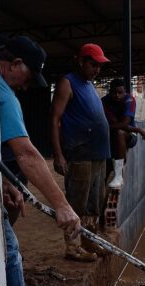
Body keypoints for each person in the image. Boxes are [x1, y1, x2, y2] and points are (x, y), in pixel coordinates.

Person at [0, 36, 82, 286]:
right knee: (8, 251)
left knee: (5, 249)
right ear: (15, 64)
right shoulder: (3, 95)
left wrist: (6, 182)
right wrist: (62, 205)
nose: (26, 85)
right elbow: (27, 154)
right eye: (28, 76)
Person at [50, 43, 111, 262]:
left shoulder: (89, 85)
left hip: (98, 153)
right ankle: (73, 247)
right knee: (77, 202)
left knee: (94, 202)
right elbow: (55, 119)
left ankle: (88, 240)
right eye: (93, 64)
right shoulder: (68, 82)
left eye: (99, 66)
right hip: (80, 153)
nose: (97, 70)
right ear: (81, 61)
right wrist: (58, 155)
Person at [102, 78, 145, 189]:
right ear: (109, 92)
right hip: (110, 137)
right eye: (114, 92)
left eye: (120, 92)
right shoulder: (104, 101)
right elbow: (116, 123)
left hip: (129, 135)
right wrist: (139, 130)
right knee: (105, 170)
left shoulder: (129, 100)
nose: (117, 95)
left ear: (125, 91)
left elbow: (124, 123)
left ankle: (119, 176)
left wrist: (105, 127)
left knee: (119, 132)